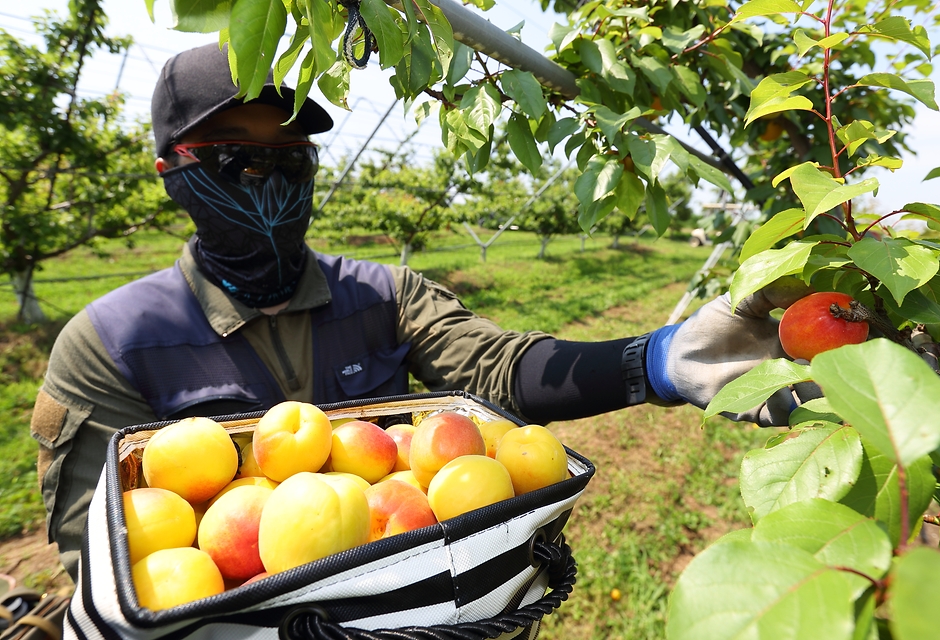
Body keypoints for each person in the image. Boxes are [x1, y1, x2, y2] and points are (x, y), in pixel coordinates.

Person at [30, 43, 806, 582]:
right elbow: (106, 558)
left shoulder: (382, 295)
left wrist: (661, 360)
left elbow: (495, 368)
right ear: (172, 171)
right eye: (238, 158)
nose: (270, 178)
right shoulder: (112, 345)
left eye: (292, 156)